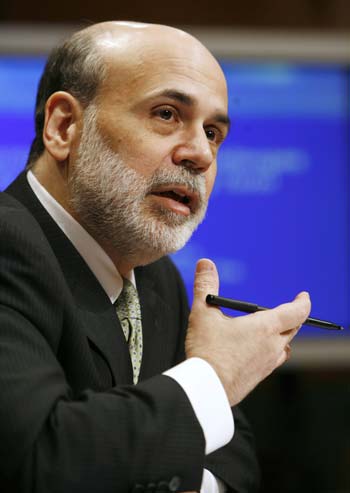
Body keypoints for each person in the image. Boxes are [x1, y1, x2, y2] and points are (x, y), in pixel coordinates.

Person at [0, 21, 311, 493]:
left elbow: (234, 460)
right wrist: (216, 377)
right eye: (167, 114)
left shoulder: (156, 279)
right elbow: (38, 458)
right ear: (64, 126)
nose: (201, 155)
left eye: (212, 132)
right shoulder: (8, 246)